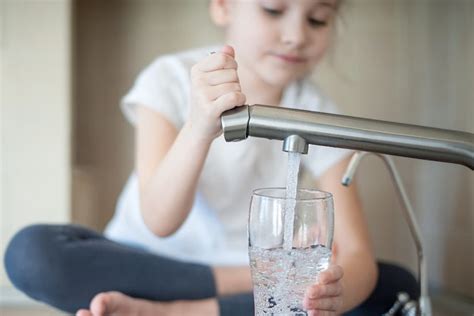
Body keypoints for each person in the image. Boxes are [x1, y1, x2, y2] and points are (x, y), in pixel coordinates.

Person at [4, 0, 419, 315]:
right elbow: (160, 221)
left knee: (397, 286)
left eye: (318, 18)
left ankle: (174, 312)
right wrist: (200, 126)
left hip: (255, 276)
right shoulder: (168, 77)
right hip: (145, 263)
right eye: (274, 9)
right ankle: (224, 299)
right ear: (222, 5)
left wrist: (322, 295)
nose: (296, 35)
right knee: (33, 252)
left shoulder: (320, 113)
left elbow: (357, 254)